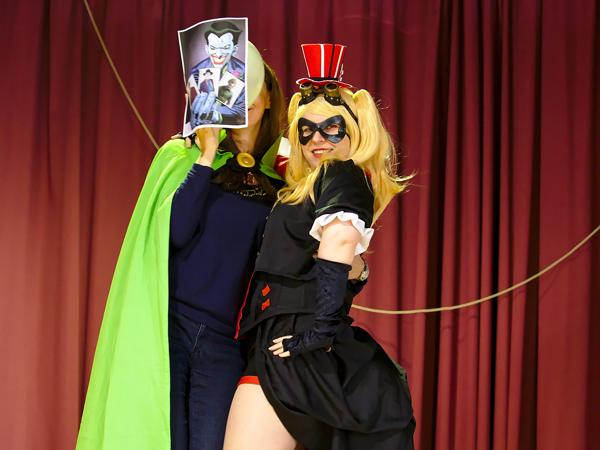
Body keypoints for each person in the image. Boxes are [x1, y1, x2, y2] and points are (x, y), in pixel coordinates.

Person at [77, 58, 286, 450]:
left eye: (252, 86)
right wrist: (207, 155)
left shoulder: (279, 182)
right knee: (160, 438)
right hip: (168, 329)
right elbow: (174, 233)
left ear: (270, 96)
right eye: (234, 87)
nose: (244, 98)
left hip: (224, 342)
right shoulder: (184, 156)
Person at [224, 43, 416, 450]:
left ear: (354, 131)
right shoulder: (308, 186)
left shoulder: (341, 174)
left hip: (292, 345)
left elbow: (340, 239)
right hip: (280, 342)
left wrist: (318, 332)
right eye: (306, 129)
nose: (317, 138)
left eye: (332, 127)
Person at [189, 20, 246, 125]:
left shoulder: (244, 72)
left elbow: (242, 111)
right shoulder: (196, 71)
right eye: (213, 48)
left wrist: (215, 114)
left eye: (225, 48)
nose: (218, 54)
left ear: (234, 49)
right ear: (207, 49)